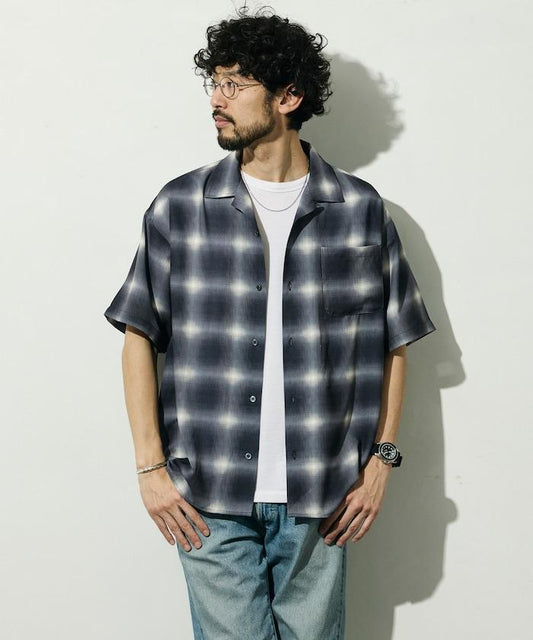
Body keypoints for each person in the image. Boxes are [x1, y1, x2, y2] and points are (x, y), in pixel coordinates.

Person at [103, 6, 436, 640]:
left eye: (234, 84)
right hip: (208, 494)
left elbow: (395, 343)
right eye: (215, 83)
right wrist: (150, 471)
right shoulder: (180, 206)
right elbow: (139, 336)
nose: (216, 100)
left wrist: (380, 463)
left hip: (324, 495)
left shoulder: (360, 210)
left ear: (288, 96)